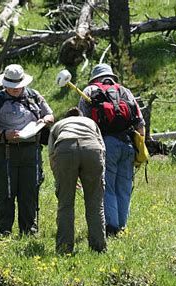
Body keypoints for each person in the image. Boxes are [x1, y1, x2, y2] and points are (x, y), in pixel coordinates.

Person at [0, 64, 54, 236]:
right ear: (5, 84)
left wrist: (43, 121)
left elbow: (50, 115)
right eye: (11, 86)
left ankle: (29, 232)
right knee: (4, 193)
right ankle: (3, 232)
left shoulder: (34, 96)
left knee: (30, 192)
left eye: (18, 86)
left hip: (31, 152)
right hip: (3, 152)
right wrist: (4, 134)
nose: (14, 90)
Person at [78, 63, 145, 236]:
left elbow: (83, 123)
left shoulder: (89, 92)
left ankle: (112, 227)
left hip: (106, 144)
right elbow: (140, 122)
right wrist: (140, 148)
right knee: (124, 187)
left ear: (94, 78)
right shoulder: (125, 91)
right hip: (128, 144)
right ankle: (122, 226)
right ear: (111, 77)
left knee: (107, 187)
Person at [49, 107, 106, 254]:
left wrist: (62, 180)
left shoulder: (58, 125)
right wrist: (100, 179)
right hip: (92, 149)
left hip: (65, 148)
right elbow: (102, 149)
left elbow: (52, 156)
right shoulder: (90, 122)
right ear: (81, 116)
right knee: (95, 204)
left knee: (65, 204)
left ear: (66, 117)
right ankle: (98, 248)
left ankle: (64, 249)